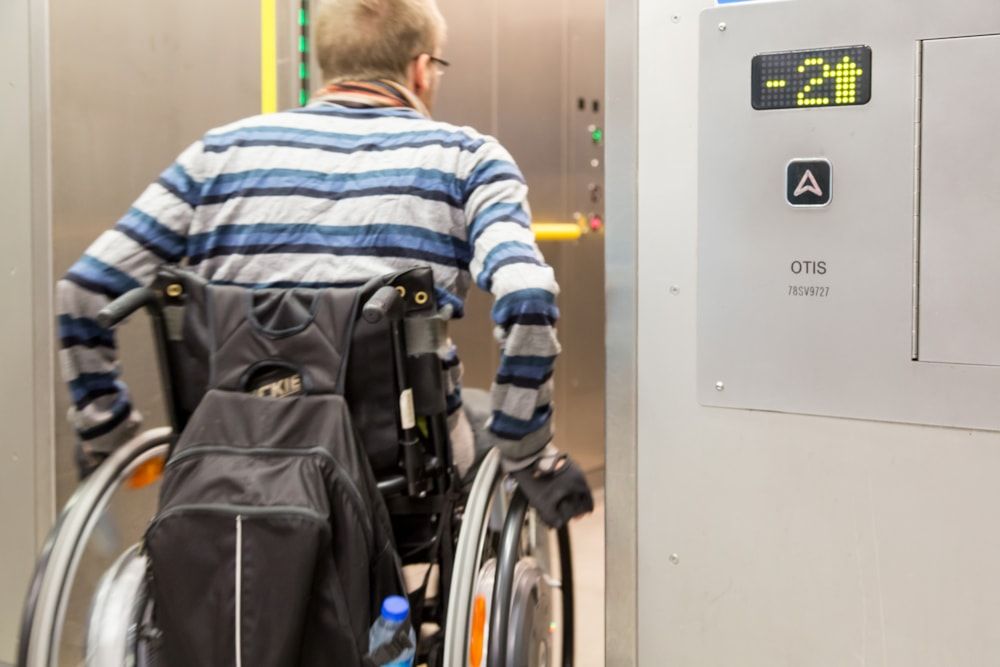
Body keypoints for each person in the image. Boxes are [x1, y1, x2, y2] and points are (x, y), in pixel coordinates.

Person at [56, 0, 592, 528]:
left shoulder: (216, 155)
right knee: (480, 422)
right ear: (421, 69)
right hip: (396, 467)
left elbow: (84, 290)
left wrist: (110, 433)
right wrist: (523, 443)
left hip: (230, 454)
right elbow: (527, 294)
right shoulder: (468, 161)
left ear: (327, 63)